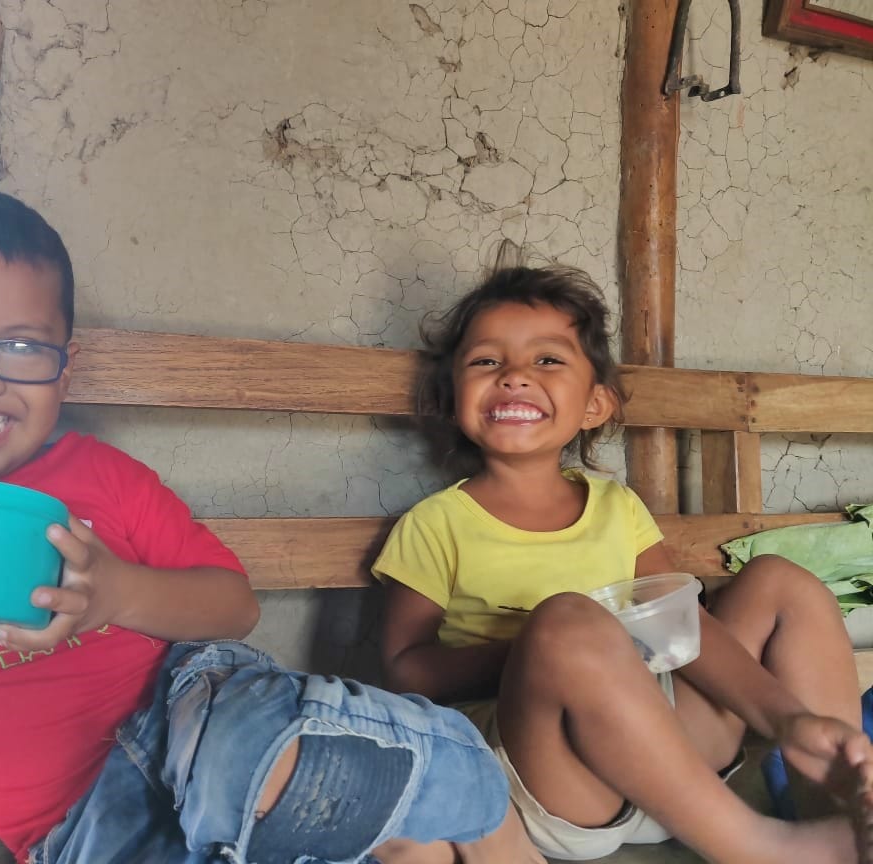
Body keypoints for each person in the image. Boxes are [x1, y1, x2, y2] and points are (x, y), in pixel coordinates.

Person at [0, 188, 541, 864]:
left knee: (258, 755)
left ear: (63, 362)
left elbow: (232, 605)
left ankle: (450, 775)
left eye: (19, 346)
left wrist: (116, 592)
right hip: (76, 831)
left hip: (182, 716)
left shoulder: (104, 479)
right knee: (408, 847)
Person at [372, 246, 873, 864]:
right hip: (557, 778)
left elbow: (686, 630)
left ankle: (835, 814)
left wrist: (783, 718)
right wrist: (548, 646)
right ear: (453, 398)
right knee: (567, 620)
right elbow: (405, 670)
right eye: (486, 360)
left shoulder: (617, 507)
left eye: (547, 358)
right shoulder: (437, 524)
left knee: (779, 580)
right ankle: (757, 845)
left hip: (675, 759)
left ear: (595, 405)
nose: (515, 374)